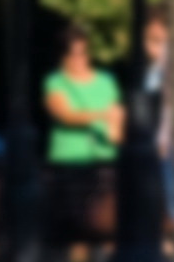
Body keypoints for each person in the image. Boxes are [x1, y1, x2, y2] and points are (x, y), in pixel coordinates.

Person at [44, 24, 123, 166]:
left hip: (105, 160)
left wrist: (116, 129)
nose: (79, 58)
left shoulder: (107, 82)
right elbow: (64, 115)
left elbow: (116, 130)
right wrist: (101, 115)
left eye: (83, 52)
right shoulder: (56, 82)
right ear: (63, 57)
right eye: (72, 54)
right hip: (68, 160)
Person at [143, 7, 174, 228]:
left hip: (170, 144)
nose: (159, 48)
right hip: (159, 143)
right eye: (152, 41)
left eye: (162, 41)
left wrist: (164, 139)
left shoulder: (170, 69)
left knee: (173, 199)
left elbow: (169, 107)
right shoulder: (153, 71)